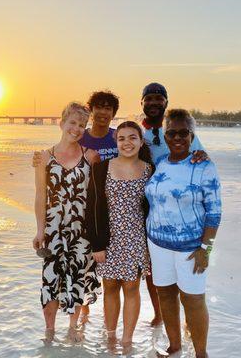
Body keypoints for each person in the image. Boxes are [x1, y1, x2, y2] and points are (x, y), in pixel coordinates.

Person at [145, 109, 222, 358]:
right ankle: (174, 347)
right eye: (172, 133)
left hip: (191, 248)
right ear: (165, 136)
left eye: (183, 133)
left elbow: (214, 213)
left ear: (192, 135)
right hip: (157, 244)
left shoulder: (204, 166)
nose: (177, 137)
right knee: (165, 295)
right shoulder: (160, 163)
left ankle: (201, 354)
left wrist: (205, 249)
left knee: (193, 299)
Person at [140, 82, 209, 327]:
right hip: (151, 208)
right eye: (149, 99)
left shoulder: (178, 129)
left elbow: (201, 160)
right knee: (154, 269)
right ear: (142, 104)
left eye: (159, 98)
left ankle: (189, 320)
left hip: (183, 212)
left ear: (166, 102)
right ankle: (160, 314)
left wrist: (202, 156)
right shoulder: (141, 134)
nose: (154, 103)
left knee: (187, 275)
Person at [33, 102, 101, 342]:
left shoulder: (90, 157)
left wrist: (97, 236)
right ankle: (50, 331)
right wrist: (40, 231)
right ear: (61, 123)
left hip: (81, 232)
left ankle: (72, 329)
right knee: (50, 279)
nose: (77, 128)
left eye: (82, 125)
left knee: (77, 278)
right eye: (72, 122)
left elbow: (95, 200)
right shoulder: (43, 157)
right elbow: (41, 196)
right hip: (53, 230)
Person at [85, 121, 154, 352]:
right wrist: (97, 244)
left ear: (141, 141)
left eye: (133, 138)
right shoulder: (102, 168)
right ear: (116, 142)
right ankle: (111, 336)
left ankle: (127, 339)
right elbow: (92, 207)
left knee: (132, 288)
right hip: (108, 239)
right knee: (111, 287)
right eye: (122, 138)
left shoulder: (149, 170)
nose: (127, 143)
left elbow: (153, 208)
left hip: (136, 239)